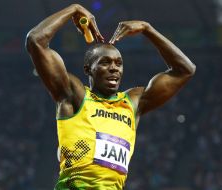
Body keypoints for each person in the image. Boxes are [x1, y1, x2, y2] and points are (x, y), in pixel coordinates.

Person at [25, 3, 196, 190]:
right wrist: (73, 9)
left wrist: (147, 29)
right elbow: (36, 40)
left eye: (119, 63)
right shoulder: (74, 94)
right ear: (88, 69)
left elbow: (185, 70)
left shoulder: (133, 102)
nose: (114, 67)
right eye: (105, 62)